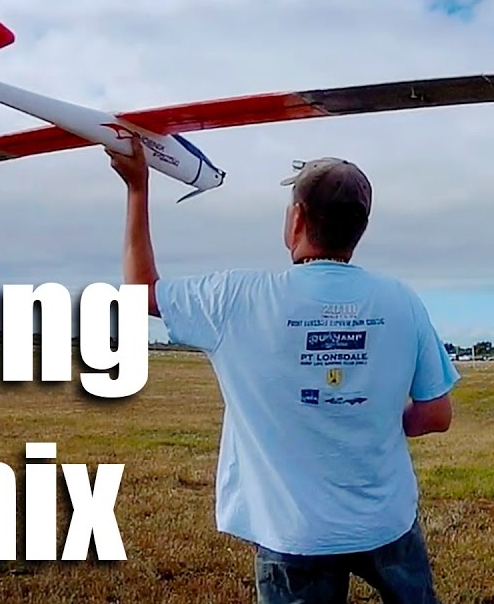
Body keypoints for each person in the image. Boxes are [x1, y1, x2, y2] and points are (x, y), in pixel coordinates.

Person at [108, 141, 459, 603]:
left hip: (292, 533)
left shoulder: (236, 299)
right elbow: (436, 414)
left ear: (296, 220)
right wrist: (373, 418)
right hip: (387, 522)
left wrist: (137, 188)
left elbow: (141, 292)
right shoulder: (402, 301)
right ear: (359, 228)